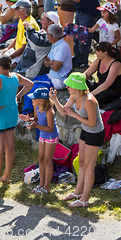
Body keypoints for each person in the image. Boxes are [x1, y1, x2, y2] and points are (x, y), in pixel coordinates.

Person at [51, 72, 104, 208]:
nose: (67, 86)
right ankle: (77, 193)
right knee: (81, 162)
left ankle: (85, 199)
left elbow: (92, 123)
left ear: (78, 86)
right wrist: (55, 99)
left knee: (89, 166)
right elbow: (63, 112)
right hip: (86, 131)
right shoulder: (74, 95)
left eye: (70, 84)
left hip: (95, 133)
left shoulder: (90, 100)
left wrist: (74, 115)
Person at [0, 55, 33, 187]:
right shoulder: (16, 76)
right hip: (11, 115)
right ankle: (7, 176)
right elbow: (30, 84)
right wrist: (17, 96)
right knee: (9, 148)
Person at [19, 87, 59, 195]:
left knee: (47, 161)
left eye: (34, 99)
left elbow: (50, 128)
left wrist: (35, 125)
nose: (32, 100)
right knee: (41, 159)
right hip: (43, 135)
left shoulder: (49, 111)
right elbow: (36, 119)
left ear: (41, 100)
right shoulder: (36, 107)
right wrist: (30, 120)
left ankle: (47, 187)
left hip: (51, 136)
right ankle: (41, 184)